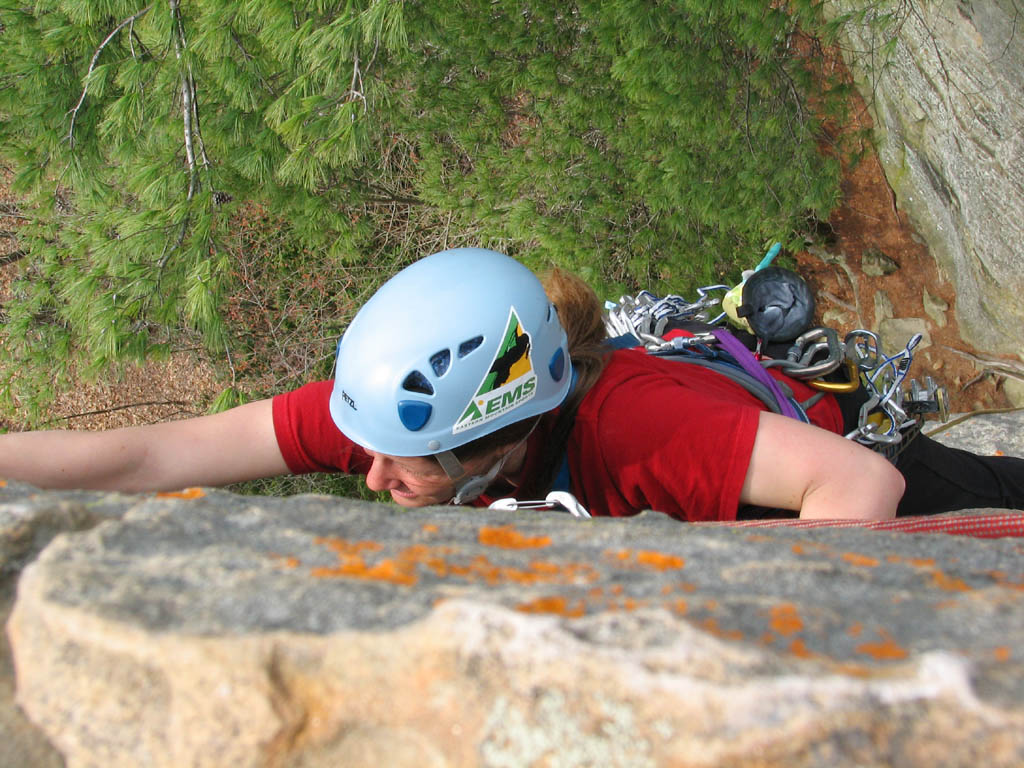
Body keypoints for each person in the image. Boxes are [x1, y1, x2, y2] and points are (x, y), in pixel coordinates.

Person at [2, 247, 1023, 522]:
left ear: (503, 432)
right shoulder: (394, 410)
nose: (371, 479)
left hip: (913, 493)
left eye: (410, 464)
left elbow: (857, 490)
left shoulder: (634, 426)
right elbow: (156, 453)